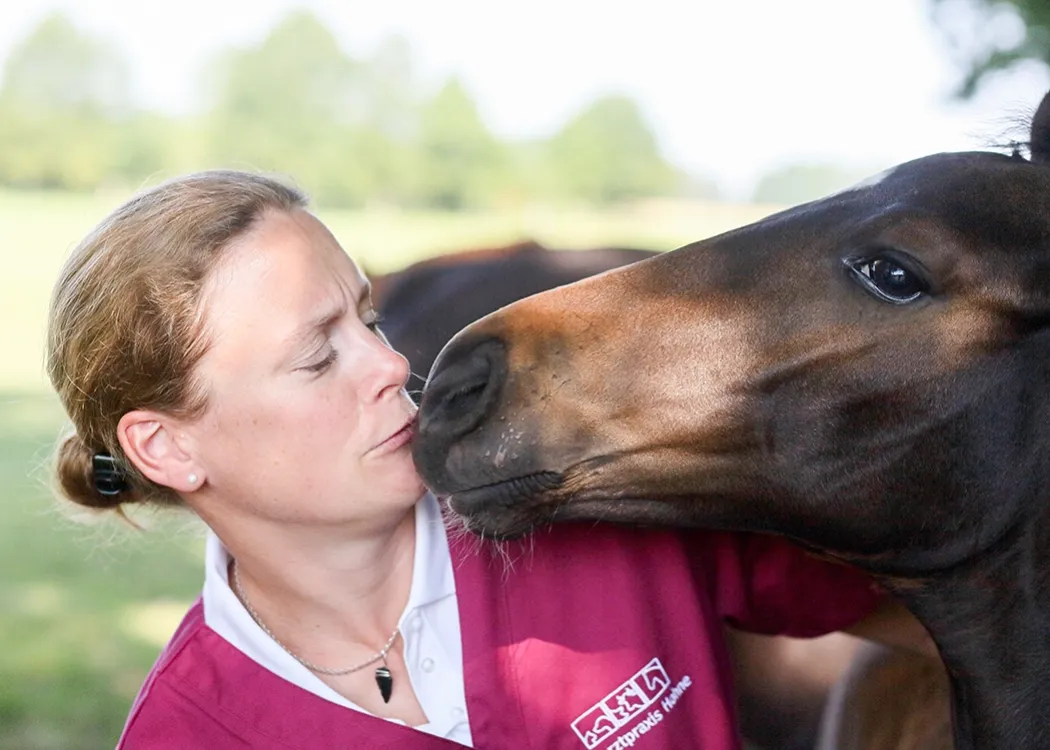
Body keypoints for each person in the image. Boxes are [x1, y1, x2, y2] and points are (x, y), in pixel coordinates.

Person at [47, 170, 932, 749]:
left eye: (371, 320)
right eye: (318, 357)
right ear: (167, 447)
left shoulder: (601, 510)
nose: (393, 367)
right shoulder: (184, 732)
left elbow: (951, 608)